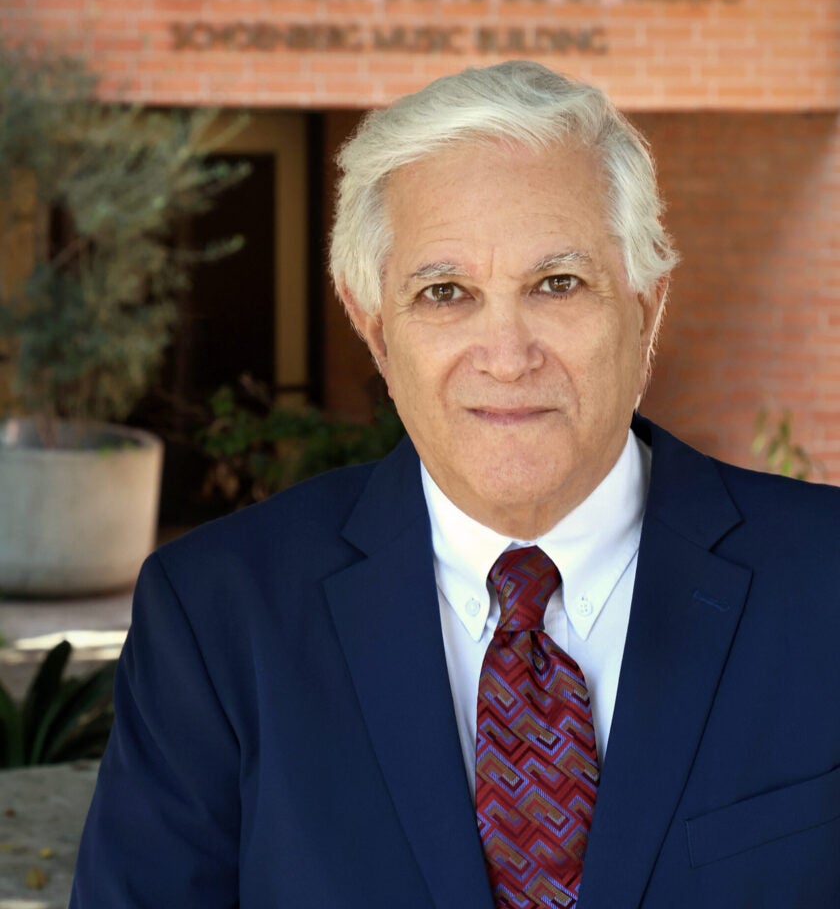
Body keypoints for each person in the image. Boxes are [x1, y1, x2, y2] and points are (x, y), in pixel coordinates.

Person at [71, 61, 840, 908]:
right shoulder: (219, 614)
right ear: (375, 334)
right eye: (445, 293)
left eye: (558, 283)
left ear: (646, 307)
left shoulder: (826, 580)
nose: (507, 355)